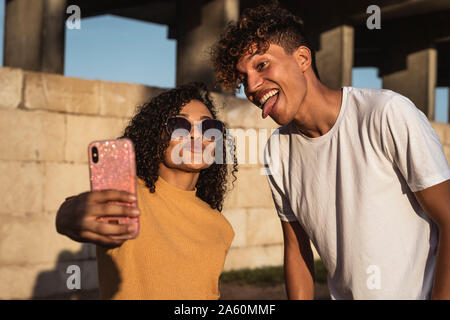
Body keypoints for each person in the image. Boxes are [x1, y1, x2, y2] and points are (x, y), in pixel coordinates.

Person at [210, 3, 450, 299]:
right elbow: (297, 250)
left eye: (261, 65)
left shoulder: (385, 113)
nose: (251, 86)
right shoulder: (277, 151)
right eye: (243, 78)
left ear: (301, 59)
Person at [56, 82, 238, 299]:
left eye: (209, 128)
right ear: (155, 136)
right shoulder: (127, 195)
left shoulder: (221, 226)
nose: (195, 136)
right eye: (180, 125)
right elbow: (70, 215)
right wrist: (70, 214)